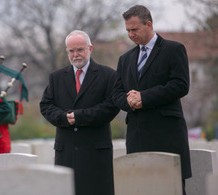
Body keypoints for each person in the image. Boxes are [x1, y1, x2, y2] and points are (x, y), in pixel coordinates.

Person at [111, 5, 192, 195]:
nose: (130, 35)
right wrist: (129, 101)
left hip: (167, 136)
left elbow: (181, 85)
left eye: (134, 29)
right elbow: (116, 93)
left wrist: (144, 97)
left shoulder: (173, 50)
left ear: (149, 24)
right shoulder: (125, 59)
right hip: (137, 137)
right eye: (127, 30)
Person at [40, 30, 119, 195]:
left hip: (95, 153)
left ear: (90, 49)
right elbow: (46, 105)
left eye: (80, 50)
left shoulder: (108, 75)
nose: (75, 54)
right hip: (66, 153)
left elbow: (111, 107)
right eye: (71, 51)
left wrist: (79, 117)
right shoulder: (57, 77)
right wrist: (63, 118)